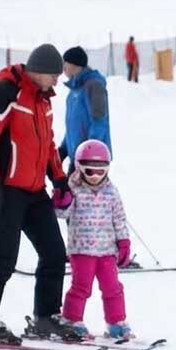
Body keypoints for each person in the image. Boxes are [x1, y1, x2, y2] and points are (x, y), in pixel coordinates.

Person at [0, 44, 81, 343]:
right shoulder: (5, 92)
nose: (57, 81)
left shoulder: (43, 100)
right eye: (55, 75)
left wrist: (59, 177)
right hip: (5, 190)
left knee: (53, 253)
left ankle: (45, 317)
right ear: (41, 72)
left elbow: (47, 143)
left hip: (34, 190)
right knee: (3, 257)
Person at [53, 140, 133, 338]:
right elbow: (62, 214)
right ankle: (72, 320)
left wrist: (123, 243)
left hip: (107, 251)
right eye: (90, 172)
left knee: (113, 288)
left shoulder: (111, 192)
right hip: (81, 251)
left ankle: (116, 323)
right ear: (80, 168)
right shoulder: (74, 188)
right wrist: (60, 201)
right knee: (81, 287)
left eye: (101, 171)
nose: (96, 176)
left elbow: (120, 219)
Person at [59, 47, 111, 172]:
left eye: (64, 62)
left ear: (74, 64)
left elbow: (99, 122)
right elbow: (73, 128)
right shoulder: (73, 92)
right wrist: (63, 149)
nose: (62, 67)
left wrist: (89, 154)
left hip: (91, 160)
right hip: (77, 158)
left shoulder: (93, 85)